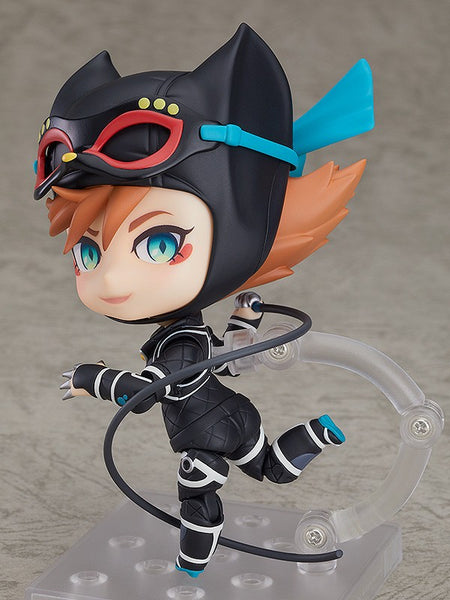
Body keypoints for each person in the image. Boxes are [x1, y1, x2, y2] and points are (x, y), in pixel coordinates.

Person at [34, 24, 373, 576]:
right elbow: (224, 358)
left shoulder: (178, 348)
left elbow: (146, 392)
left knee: (197, 491)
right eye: (89, 253)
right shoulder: (183, 335)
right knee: (269, 468)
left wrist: (88, 378)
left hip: (206, 433)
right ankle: (318, 432)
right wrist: (245, 318)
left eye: (159, 244)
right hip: (229, 417)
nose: (112, 279)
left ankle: (192, 563)